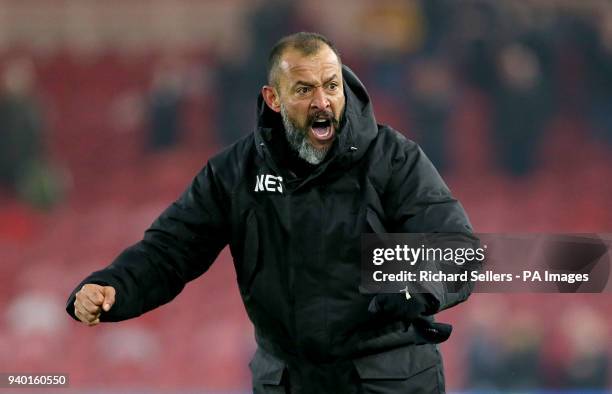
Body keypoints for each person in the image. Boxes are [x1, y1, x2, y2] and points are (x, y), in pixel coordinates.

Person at [67, 32, 477, 394]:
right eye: (304, 90)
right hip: (287, 380)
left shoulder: (395, 159)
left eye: (331, 86)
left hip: (389, 377)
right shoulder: (233, 173)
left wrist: (414, 283)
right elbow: (170, 250)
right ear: (273, 99)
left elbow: (459, 251)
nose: (322, 102)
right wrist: (114, 286)